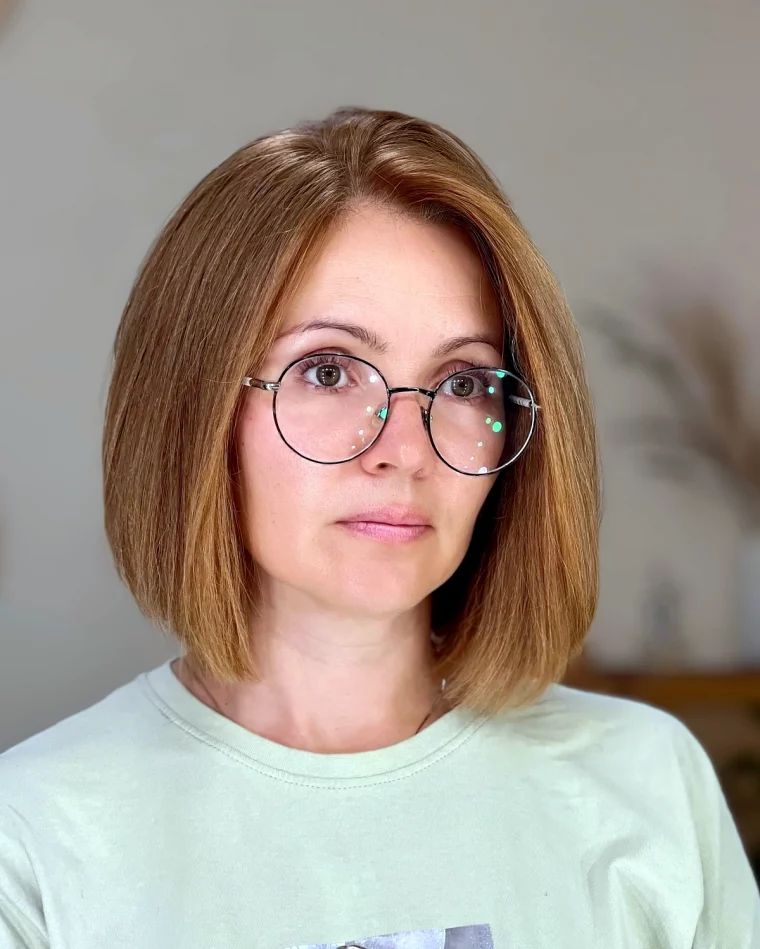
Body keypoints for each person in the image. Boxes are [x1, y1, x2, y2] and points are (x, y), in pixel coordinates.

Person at [0, 106, 757, 949]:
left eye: (465, 383)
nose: (404, 450)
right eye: (327, 370)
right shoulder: (31, 838)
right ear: (195, 407)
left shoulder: (647, 780)